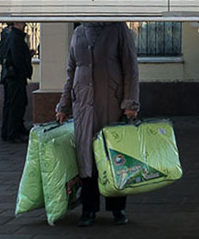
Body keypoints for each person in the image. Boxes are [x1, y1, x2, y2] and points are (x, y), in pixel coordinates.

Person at [55, 22, 140, 227]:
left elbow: (131, 68)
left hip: (111, 105)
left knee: (113, 156)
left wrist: (130, 103)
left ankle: (117, 209)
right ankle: (89, 209)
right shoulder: (78, 32)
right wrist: (63, 105)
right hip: (83, 106)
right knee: (87, 157)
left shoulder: (118, 30)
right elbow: (71, 71)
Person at [0, 22, 33, 144]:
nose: (25, 24)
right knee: (16, 104)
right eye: (23, 22)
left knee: (12, 104)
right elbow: (17, 58)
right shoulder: (15, 37)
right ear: (17, 23)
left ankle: (9, 131)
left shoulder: (9, 36)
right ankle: (14, 132)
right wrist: (24, 69)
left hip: (10, 76)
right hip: (15, 77)